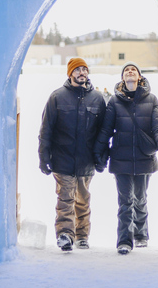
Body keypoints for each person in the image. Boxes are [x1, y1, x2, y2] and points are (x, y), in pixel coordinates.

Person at [94, 62, 158, 255]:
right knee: (126, 201)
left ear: (139, 77)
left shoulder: (151, 99)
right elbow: (106, 129)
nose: (130, 71)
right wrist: (98, 152)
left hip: (144, 156)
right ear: (122, 78)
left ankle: (141, 233)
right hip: (121, 157)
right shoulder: (114, 101)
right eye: (126, 70)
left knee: (141, 199)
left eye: (133, 70)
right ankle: (124, 241)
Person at [38, 57, 107, 252]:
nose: (81, 73)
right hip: (62, 158)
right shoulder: (57, 97)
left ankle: (82, 236)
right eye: (77, 70)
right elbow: (46, 130)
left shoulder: (97, 98)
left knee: (82, 200)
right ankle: (65, 235)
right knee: (65, 199)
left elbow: (103, 132)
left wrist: (102, 156)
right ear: (70, 73)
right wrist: (43, 157)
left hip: (86, 160)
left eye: (84, 69)